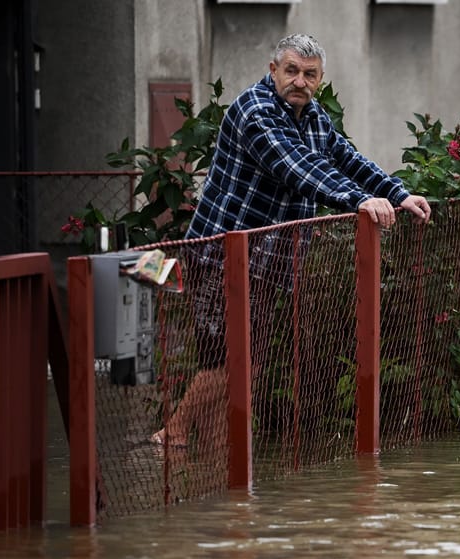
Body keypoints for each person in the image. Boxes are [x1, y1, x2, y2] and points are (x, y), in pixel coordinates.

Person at [150, 33, 432, 447]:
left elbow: (346, 159)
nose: (300, 81)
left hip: (267, 261)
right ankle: (172, 433)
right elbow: (300, 169)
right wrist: (360, 201)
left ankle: (213, 459)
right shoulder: (256, 112)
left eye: (309, 74)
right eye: (292, 71)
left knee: (245, 363)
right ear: (273, 71)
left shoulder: (314, 116)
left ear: (320, 79)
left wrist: (397, 193)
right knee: (230, 361)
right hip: (219, 255)